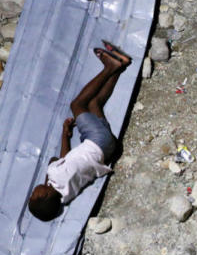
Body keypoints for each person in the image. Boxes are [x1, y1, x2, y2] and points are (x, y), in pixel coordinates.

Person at [28, 41, 130, 220]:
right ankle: (109, 67)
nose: (32, 192)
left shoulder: (66, 196)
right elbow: (55, 160)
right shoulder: (54, 174)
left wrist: (65, 134)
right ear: (44, 194)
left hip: (107, 150)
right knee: (77, 104)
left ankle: (121, 65)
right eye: (34, 195)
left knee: (94, 104)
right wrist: (48, 179)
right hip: (98, 140)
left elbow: (65, 160)